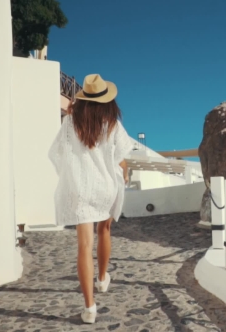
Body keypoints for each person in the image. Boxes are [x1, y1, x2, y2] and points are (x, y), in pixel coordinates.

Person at [48, 74, 134, 324]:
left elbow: (57, 153)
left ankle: (89, 308)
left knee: (84, 246)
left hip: (81, 188)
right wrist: (124, 174)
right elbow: (121, 157)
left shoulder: (70, 123)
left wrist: (72, 176)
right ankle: (102, 278)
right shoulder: (112, 123)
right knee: (105, 230)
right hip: (106, 188)